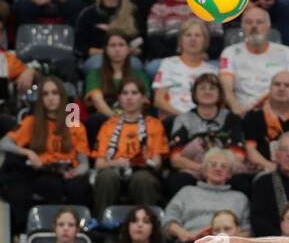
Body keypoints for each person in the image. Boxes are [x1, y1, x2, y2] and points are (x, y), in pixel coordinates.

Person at [0, 76, 93, 236]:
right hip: (45, 171)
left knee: (80, 188)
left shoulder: (73, 121)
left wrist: (77, 172)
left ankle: (81, 233)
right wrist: (28, 152)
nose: (50, 98)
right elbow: (2, 144)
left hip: (70, 172)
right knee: (49, 185)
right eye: (45, 94)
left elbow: (84, 163)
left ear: (62, 97)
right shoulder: (32, 121)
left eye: (55, 93)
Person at [90, 77, 167, 217]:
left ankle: (148, 224)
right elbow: (99, 164)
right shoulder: (109, 125)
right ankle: (102, 224)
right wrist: (116, 163)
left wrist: (145, 160)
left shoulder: (154, 124)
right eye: (125, 93)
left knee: (142, 178)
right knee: (106, 176)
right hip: (114, 171)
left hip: (143, 172)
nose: (129, 98)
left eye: (134, 93)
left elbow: (157, 164)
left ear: (143, 98)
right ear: (119, 98)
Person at [164, 72, 248, 198]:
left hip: (225, 168)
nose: (207, 92)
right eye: (202, 88)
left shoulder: (232, 118)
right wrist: (204, 169)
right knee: (178, 181)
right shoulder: (183, 119)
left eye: (212, 88)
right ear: (194, 93)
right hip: (194, 169)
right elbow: (176, 159)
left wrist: (217, 168)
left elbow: (238, 156)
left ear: (220, 93)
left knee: (242, 182)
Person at [162, 148, 251, 243]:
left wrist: (229, 239)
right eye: (213, 164)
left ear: (230, 173)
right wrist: (181, 233)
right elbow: (168, 219)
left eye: (223, 166)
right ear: (204, 169)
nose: (218, 168)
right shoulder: (187, 192)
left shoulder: (240, 198)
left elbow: (248, 231)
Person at [219, 5, 289, 118]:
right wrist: (236, 109)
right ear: (242, 27)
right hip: (244, 112)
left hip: (278, 113)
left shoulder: (285, 52)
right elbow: (225, 86)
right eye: (249, 22)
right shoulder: (230, 53)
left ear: (268, 26)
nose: (254, 26)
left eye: (259, 22)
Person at [145, 0, 222, 62]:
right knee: (153, 67)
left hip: (204, 58)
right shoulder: (158, 8)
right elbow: (154, 40)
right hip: (169, 57)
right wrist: (176, 58)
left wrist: (207, 54)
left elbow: (218, 37)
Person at [84, 30, 148, 138]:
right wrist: (116, 119)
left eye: (121, 45)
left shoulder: (139, 75)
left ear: (128, 49)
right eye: (112, 45)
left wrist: (128, 119)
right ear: (106, 49)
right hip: (105, 119)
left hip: (133, 118)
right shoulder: (94, 75)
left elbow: (143, 102)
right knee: (95, 119)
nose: (117, 49)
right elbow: (97, 100)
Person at [74, 0, 143, 60]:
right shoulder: (88, 13)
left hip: (127, 59)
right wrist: (108, 53)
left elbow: (142, 44)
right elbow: (80, 47)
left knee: (135, 64)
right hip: (98, 58)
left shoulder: (134, 12)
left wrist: (133, 51)